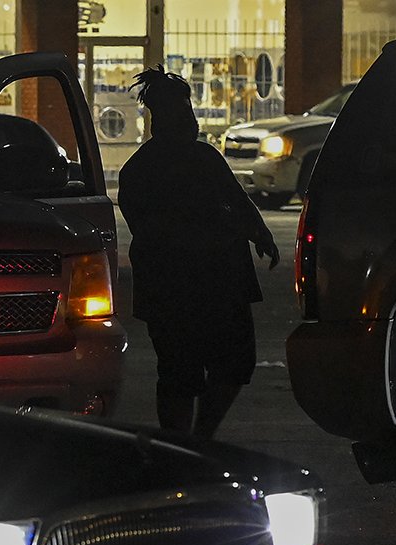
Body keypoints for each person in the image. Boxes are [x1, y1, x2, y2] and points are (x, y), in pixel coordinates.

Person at [118, 66, 279, 438]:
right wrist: (251, 232)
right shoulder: (154, 168)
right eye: (185, 111)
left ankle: (192, 440)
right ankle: (190, 440)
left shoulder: (153, 167)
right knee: (187, 371)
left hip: (199, 284)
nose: (191, 119)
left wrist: (258, 232)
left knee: (200, 369)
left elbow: (236, 202)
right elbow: (159, 228)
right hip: (193, 284)